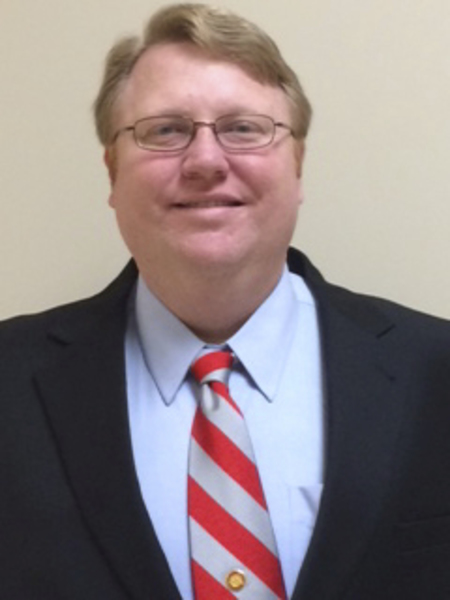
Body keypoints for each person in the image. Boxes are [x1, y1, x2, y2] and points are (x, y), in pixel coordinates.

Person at [1, 3, 450, 599]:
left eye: (243, 128)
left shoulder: (437, 370)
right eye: (165, 130)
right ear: (112, 172)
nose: (206, 161)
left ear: (297, 164)